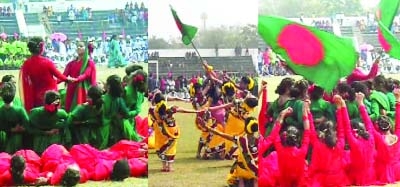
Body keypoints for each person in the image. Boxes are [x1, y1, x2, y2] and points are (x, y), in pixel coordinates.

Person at [20, 37, 75, 113]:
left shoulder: (26, 64)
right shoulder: (47, 62)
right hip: (51, 96)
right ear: (41, 47)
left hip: (36, 96)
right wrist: (68, 79)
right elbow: (58, 75)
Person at [202, 116, 259, 187]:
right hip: (256, 169)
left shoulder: (241, 140)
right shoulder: (259, 140)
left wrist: (209, 128)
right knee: (255, 181)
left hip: (242, 170)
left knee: (240, 174)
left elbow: (222, 134)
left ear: (246, 128)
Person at [272, 103, 310, 187]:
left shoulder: (280, 150)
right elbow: (307, 131)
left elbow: (274, 133)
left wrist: (282, 114)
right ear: (298, 138)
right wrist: (304, 111)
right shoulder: (302, 152)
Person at [343, 92, 376, 185]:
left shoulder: (354, 142)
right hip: (371, 176)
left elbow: (346, 126)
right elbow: (368, 122)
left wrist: (342, 108)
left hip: (355, 177)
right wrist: (361, 104)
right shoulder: (371, 139)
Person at [62, 41, 96, 112]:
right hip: (71, 88)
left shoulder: (90, 63)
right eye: (77, 46)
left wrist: (76, 79)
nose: (78, 47)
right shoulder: (71, 63)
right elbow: (63, 76)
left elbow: (86, 74)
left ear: (86, 48)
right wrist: (54, 81)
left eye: (81, 46)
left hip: (83, 89)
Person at [0, 82, 29, 153]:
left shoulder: (1, 110)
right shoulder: (19, 110)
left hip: (6, 137)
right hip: (21, 138)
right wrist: (19, 129)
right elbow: (27, 124)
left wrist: (11, 129)